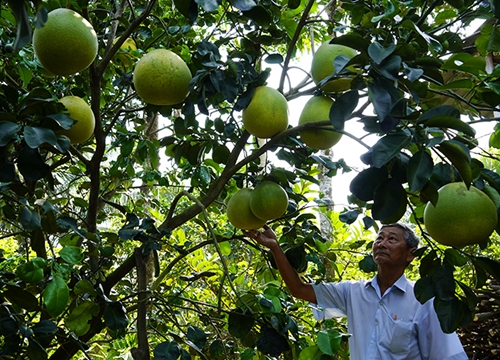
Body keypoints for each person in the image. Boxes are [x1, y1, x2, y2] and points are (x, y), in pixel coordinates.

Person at [244, 223, 468, 360]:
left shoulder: (422, 299)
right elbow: (299, 289)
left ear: (410, 254)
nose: (381, 243)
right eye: (379, 237)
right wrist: (275, 247)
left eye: (392, 239)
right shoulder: (353, 293)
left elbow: (447, 355)